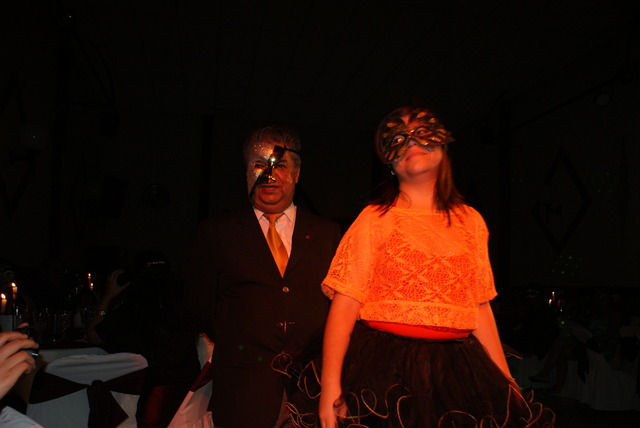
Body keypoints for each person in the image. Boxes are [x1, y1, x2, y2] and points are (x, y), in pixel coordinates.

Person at [286, 105, 555, 427]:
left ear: (443, 147)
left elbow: (479, 308)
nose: (411, 141)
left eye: (423, 133)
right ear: (389, 160)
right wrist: (331, 387)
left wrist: (507, 382)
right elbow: (344, 306)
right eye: (398, 138)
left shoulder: (471, 223)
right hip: (384, 374)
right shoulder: (374, 220)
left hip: (456, 375)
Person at [185, 125, 342, 427]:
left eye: (279, 165)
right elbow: (199, 306)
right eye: (259, 165)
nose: (269, 175)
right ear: (246, 173)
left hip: (311, 390)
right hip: (243, 390)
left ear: (296, 173)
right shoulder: (217, 234)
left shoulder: (327, 234)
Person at [85, 252, 201, 428]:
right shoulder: (186, 311)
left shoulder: (133, 312)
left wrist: (108, 296)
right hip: (186, 408)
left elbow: (92, 334)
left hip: (144, 409)